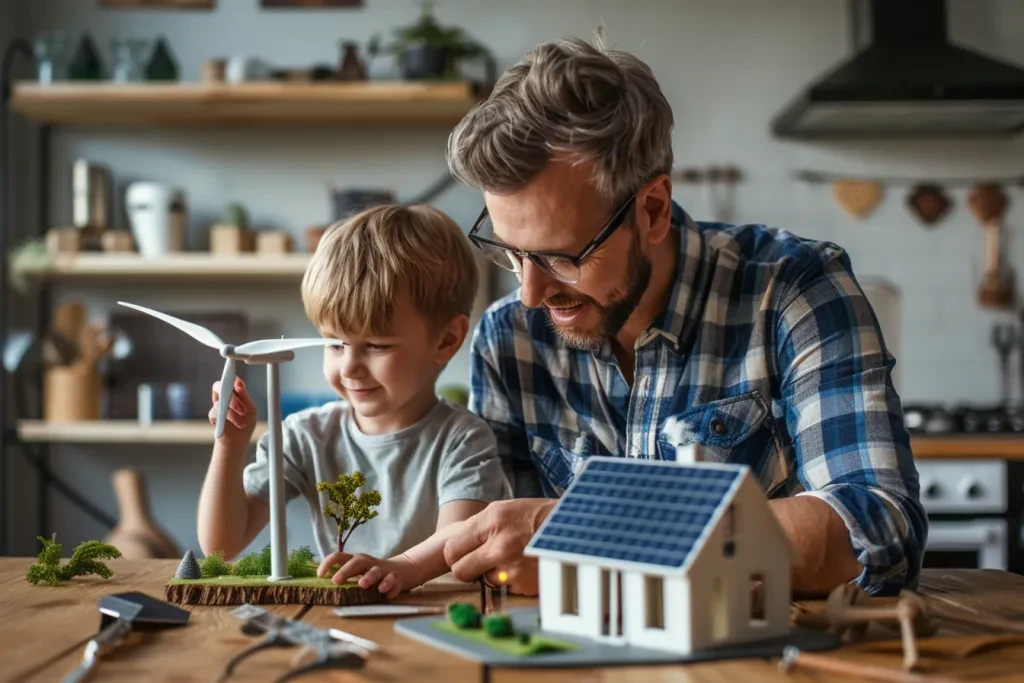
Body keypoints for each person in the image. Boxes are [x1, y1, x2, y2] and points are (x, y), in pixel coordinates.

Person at [441, 35, 926, 598]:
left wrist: (599, 534)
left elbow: (876, 528)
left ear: (651, 209)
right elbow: (510, 564)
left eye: (561, 256)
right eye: (511, 251)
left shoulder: (793, 291)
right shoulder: (509, 339)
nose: (530, 292)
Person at [196, 204, 511, 598]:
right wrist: (229, 445)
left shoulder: (463, 440)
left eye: (376, 346)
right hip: (339, 616)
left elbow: (458, 542)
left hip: (432, 619)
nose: (350, 368)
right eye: (335, 343)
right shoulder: (305, 436)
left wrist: (402, 568)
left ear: (447, 340)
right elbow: (220, 547)